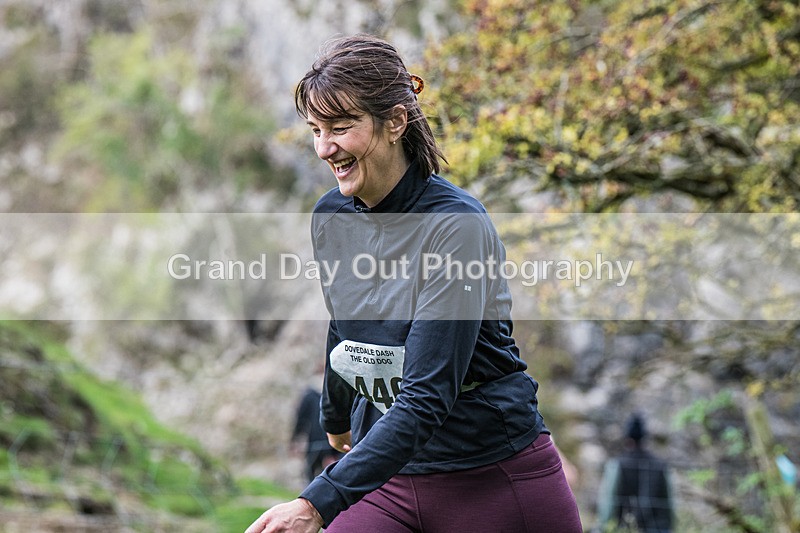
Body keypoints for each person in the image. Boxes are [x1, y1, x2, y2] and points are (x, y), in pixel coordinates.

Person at [245, 34, 583, 533]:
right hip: (386, 478)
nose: (324, 148)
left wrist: (316, 503)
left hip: (493, 477)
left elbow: (426, 397)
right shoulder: (331, 216)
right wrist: (335, 415)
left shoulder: (456, 228)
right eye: (316, 130)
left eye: (341, 127)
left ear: (396, 122)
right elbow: (348, 327)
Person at [597, 414, 674, 533]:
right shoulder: (661, 465)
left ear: (627, 439)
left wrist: (605, 527)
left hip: (623, 528)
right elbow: (670, 503)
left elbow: (609, 504)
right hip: (657, 529)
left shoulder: (617, 465)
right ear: (645, 439)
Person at [291, 387, 343, 483]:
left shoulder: (310, 396)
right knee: (327, 474)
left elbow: (301, 420)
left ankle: (310, 496)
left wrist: (295, 439)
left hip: (317, 443)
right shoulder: (333, 394)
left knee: (311, 473)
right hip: (329, 443)